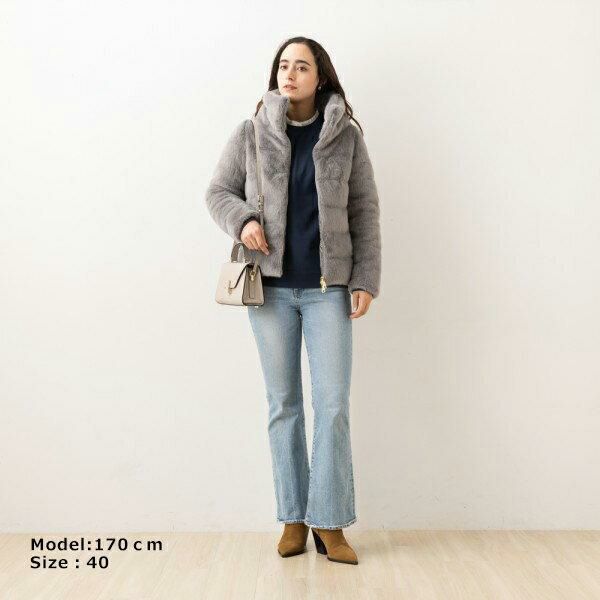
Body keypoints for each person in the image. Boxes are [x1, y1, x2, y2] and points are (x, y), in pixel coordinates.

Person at [205, 36, 382, 565]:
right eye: (284, 65)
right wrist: (244, 220)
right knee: (284, 406)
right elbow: (218, 192)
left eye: (301, 66)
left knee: (332, 406)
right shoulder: (251, 132)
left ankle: (330, 521)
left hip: (329, 291)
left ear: (319, 76)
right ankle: (293, 518)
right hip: (270, 292)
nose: (290, 74)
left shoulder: (345, 137)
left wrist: (365, 279)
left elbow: (364, 209)